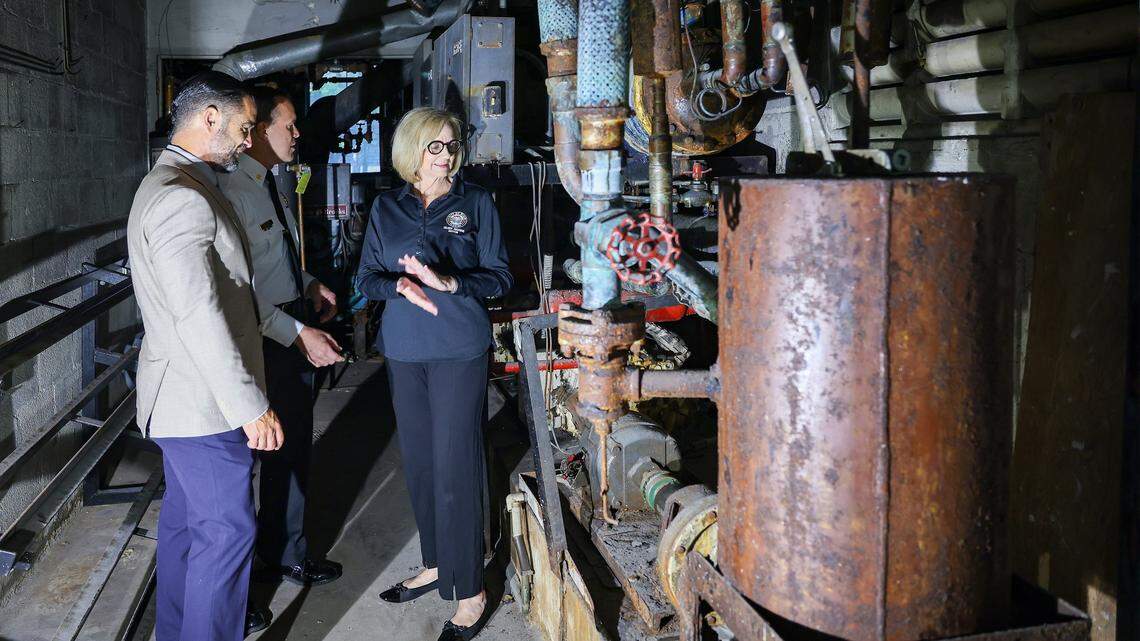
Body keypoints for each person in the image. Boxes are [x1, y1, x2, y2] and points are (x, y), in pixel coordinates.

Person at [126, 71, 284, 641]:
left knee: (188, 531)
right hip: (202, 404)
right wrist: (249, 406)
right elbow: (197, 312)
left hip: (183, 400)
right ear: (209, 117)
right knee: (226, 532)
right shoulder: (179, 197)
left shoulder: (177, 182)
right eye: (244, 127)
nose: (249, 139)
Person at [356, 107, 512, 641]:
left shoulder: (475, 202)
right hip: (404, 348)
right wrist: (397, 286)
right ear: (412, 150)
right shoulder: (386, 207)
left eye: (450, 146)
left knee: (456, 467)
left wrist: (451, 284)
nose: (444, 156)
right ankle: (436, 562)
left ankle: (470, 590)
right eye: (434, 146)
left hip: (458, 348)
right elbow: (368, 278)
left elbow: (499, 277)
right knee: (421, 465)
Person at [218, 86, 345, 594]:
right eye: (287, 126)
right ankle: (242, 585)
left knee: (291, 452)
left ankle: (286, 556)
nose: (296, 135)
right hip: (264, 336)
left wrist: (309, 283)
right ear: (255, 134)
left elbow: (274, 263)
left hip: (289, 323)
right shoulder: (234, 194)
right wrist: (296, 334)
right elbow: (239, 291)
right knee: (245, 462)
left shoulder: (271, 183)